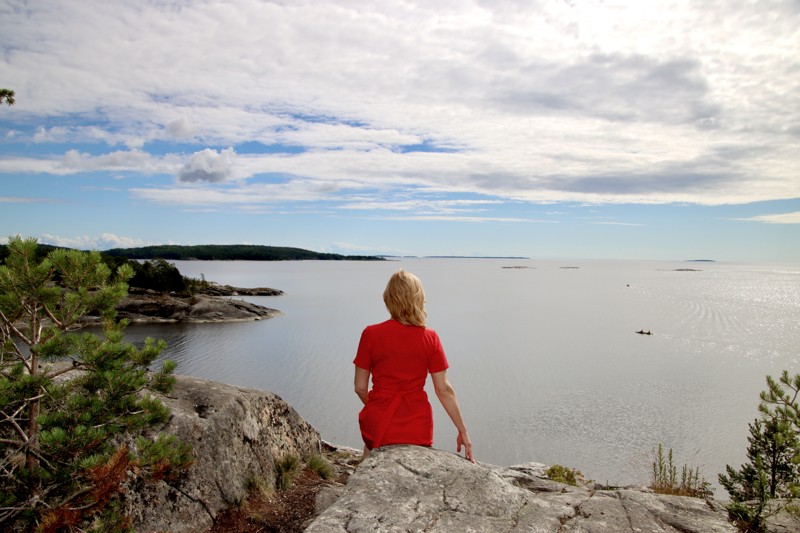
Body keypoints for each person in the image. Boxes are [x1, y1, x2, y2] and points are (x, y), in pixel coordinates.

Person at [353, 269, 473, 462]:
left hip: (378, 420)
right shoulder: (430, 337)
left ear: (388, 299)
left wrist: (379, 406)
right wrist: (463, 431)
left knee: (370, 452)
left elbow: (359, 387)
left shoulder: (371, 334)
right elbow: (444, 390)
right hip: (416, 425)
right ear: (419, 299)